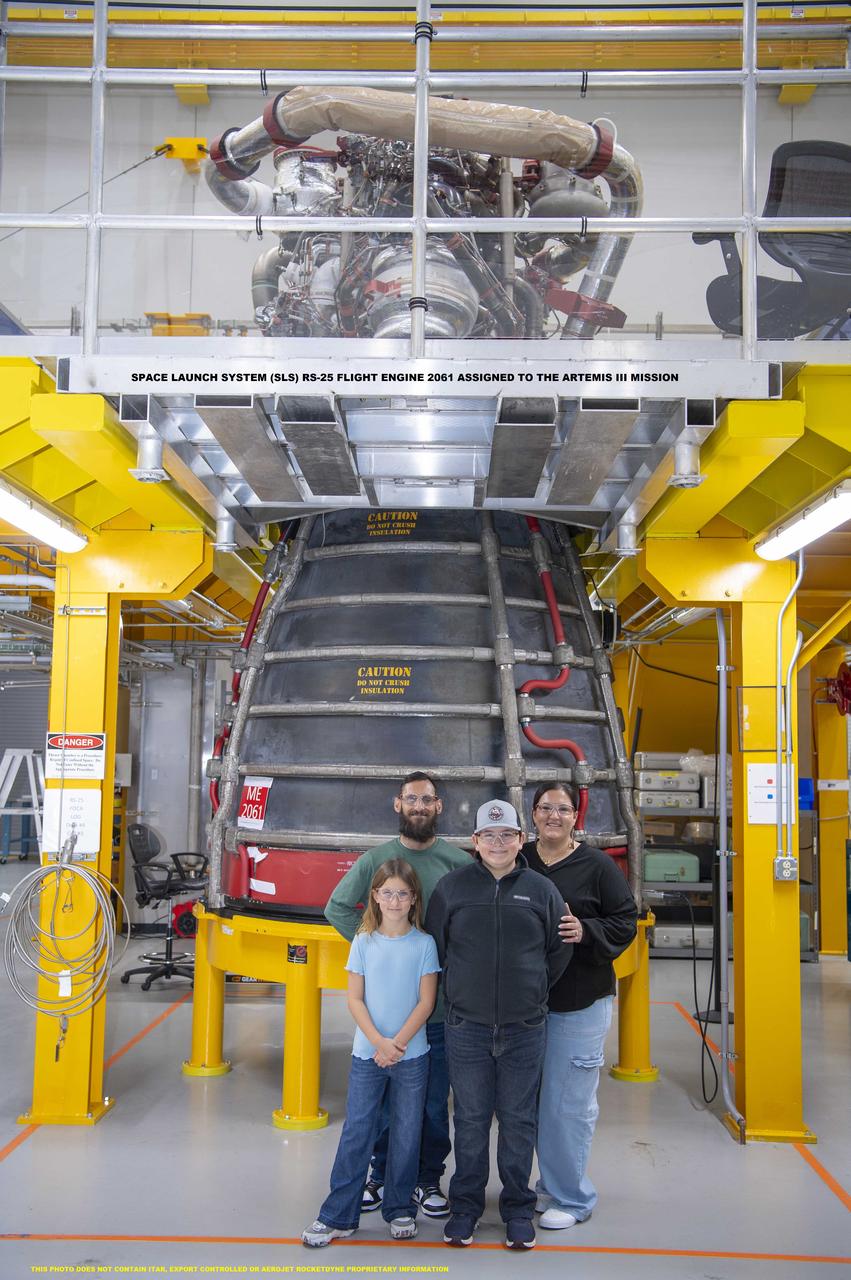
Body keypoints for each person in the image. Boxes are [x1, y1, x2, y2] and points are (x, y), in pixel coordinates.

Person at [424, 799, 572, 1252]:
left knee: (517, 1121)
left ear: (520, 839)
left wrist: (532, 992)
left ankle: (516, 1209)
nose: (498, 843)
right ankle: (465, 1207)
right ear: (474, 842)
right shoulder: (451, 889)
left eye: (507, 834)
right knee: (468, 1120)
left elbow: (559, 950)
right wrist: (464, 994)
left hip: (525, 1027)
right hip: (466, 1026)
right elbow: (438, 948)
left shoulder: (542, 890)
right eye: (488, 836)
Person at [324, 772, 470, 1219]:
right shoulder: (377, 860)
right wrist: (378, 944)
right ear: (398, 805)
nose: (419, 806)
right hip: (384, 1018)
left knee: (429, 1106)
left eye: (427, 799)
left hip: (439, 1012)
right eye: (412, 799)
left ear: (438, 807)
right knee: (384, 1110)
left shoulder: (458, 862)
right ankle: (382, 1175)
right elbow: (336, 908)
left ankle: (426, 1181)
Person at [302, 858, 440, 1248]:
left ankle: (399, 1209)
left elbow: (425, 1003)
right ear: (374, 897)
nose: (394, 901)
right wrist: (379, 1043)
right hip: (367, 1055)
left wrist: (397, 1044)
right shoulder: (362, 942)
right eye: (387, 893)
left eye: (402, 893)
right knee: (357, 1132)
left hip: (412, 1057)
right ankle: (337, 1215)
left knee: (407, 1133)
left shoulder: (424, 944)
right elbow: (355, 999)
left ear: (413, 899)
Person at [522, 783, 638, 1230]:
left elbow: (624, 918)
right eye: (546, 808)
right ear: (532, 815)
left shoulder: (595, 866)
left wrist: (585, 930)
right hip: (526, 1005)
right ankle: (550, 1186)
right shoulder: (519, 859)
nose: (554, 815)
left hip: (578, 1002)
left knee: (567, 1104)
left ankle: (572, 1199)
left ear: (576, 817)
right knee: (530, 1103)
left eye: (563, 809)